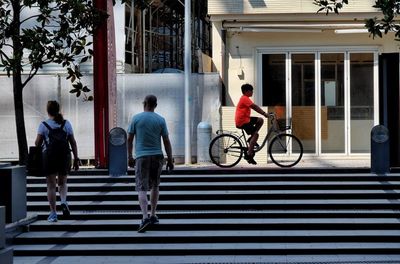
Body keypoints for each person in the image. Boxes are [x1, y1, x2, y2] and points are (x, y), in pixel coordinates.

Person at [127, 95, 174, 233]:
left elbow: (129, 139)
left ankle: (144, 217)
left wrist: (129, 156)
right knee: (155, 185)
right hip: (157, 156)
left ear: (145, 103)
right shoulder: (160, 120)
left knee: (141, 187)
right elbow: (166, 141)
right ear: (156, 105)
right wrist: (170, 159)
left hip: (141, 157)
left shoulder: (136, 118)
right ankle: (153, 214)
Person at [35, 100, 80, 222]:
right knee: (63, 182)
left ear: (47, 111)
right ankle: (64, 201)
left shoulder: (43, 125)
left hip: (49, 157)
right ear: (58, 110)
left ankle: (53, 213)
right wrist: (76, 158)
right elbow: (73, 142)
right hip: (64, 156)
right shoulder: (66, 124)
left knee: (51, 185)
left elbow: (37, 143)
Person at [235, 83, 269, 165]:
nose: (252, 92)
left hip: (246, 119)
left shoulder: (245, 98)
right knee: (256, 135)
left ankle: (251, 139)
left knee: (260, 120)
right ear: (246, 91)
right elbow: (255, 107)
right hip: (242, 121)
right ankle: (249, 154)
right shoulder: (244, 98)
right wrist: (264, 113)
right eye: (251, 90)